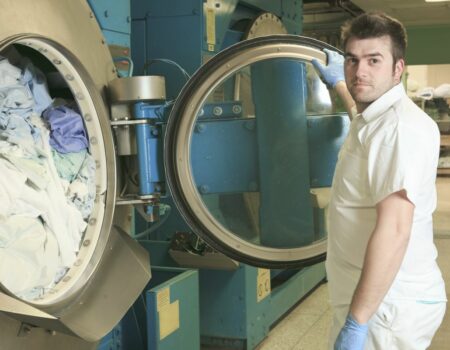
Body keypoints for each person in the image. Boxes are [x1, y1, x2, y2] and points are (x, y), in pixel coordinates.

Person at [311, 12, 447, 350]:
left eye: (374, 60)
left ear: (398, 68)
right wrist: (339, 86)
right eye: (352, 61)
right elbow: (361, 119)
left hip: (385, 308)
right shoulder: (377, 116)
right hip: (374, 296)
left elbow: (396, 230)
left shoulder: (399, 131)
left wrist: (357, 323)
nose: (360, 72)